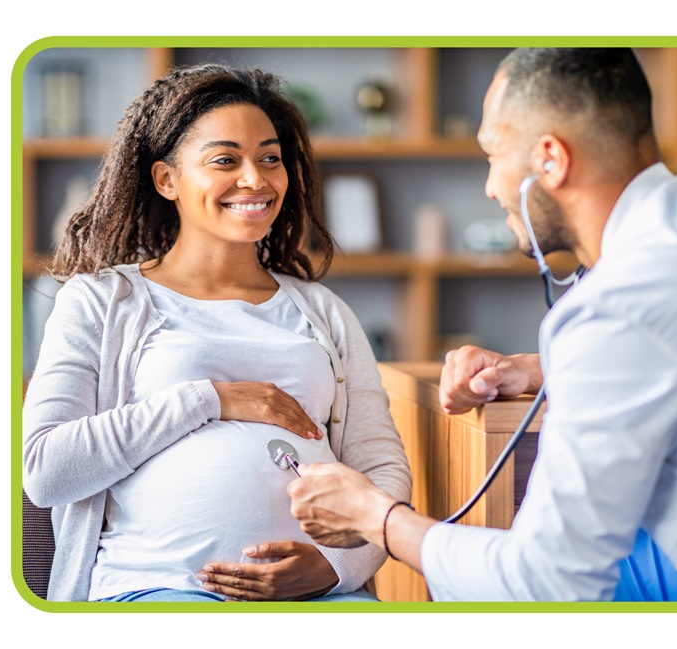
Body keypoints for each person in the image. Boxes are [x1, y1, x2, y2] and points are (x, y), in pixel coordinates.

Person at [287, 48, 677, 602]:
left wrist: (379, 519)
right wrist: (541, 370)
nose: (492, 187)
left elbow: (544, 584)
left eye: (493, 154)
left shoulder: (614, 312)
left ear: (550, 160)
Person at [22, 63, 411, 603]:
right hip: (155, 588)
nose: (256, 179)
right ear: (168, 179)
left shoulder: (323, 311)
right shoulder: (101, 302)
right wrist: (213, 399)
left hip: (324, 597)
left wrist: (335, 566)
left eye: (270, 158)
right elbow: (47, 471)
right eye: (225, 159)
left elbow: (381, 468)